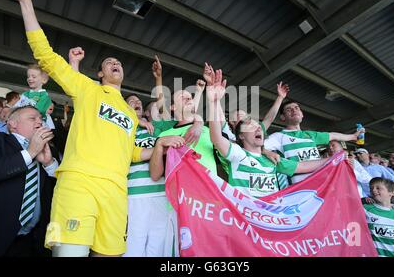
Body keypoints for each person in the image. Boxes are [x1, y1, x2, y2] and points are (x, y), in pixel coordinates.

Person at [12, 0, 152, 257]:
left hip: (116, 193)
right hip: (78, 183)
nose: (115, 63)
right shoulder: (87, 88)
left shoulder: (130, 114)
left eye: (118, 62)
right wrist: (26, 2)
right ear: (100, 73)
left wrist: (164, 144)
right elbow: (47, 57)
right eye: (108, 62)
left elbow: (132, 152)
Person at [206, 69, 329, 198]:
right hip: (244, 212)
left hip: (270, 215)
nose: (258, 128)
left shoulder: (271, 159)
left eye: (258, 126)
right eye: (247, 123)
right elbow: (216, 137)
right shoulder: (237, 152)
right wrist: (213, 101)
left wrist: (334, 159)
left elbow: (301, 166)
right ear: (238, 132)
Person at [0, 106, 58, 256]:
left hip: (31, 242)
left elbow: (58, 195)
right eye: (32, 118)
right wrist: (30, 152)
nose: (39, 122)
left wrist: (49, 165)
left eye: (41, 119)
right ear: (12, 124)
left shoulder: (48, 151)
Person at [123, 92, 184, 257]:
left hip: (162, 195)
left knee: (157, 248)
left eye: (138, 102)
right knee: (133, 247)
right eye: (131, 101)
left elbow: (179, 119)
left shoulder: (157, 131)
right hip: (134, 196)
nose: (137, 102)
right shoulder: (123, 131)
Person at [264, 100, 363, 184]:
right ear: (282, 117)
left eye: (296, 108)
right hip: (301, 186)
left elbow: (333, 135)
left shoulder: (310, 135)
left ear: (302, 114)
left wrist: (353, 137)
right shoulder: (279, 136)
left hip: (323, 181)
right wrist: (267, 152)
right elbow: (255, 146)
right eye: (289, 109)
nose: (294, 110)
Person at [14, 64, 54, 129]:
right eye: (28, 76)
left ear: (44, 80)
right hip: (21, 123)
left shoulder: (44, 96)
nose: (30, 79)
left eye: (34, 77)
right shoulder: (25, 94)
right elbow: (15, 108)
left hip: (35, 126)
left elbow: (37, 111)